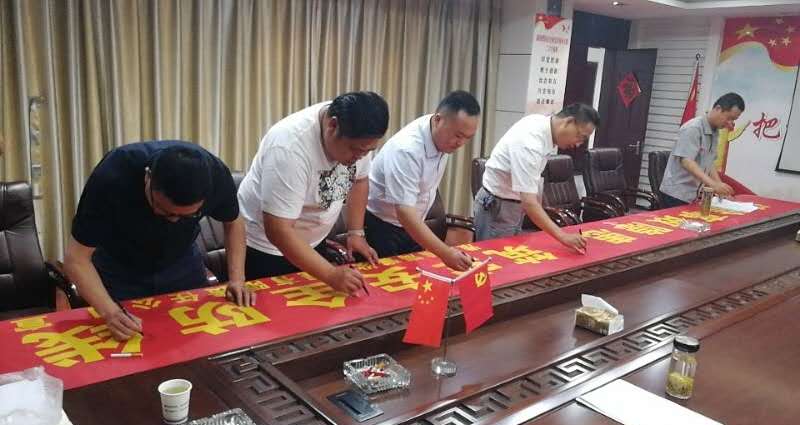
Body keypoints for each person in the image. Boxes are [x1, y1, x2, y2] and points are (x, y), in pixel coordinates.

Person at [64, 141, 254, 341]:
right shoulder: (113, 176)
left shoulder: (216, 175)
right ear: (147, 177)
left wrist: (237, 279)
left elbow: (233, 222)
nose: (173, 220)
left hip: (182, 262)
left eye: (187, 215)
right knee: (129, 341)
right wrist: (110, 312)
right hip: (120, 268)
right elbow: (76, 259)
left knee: (195, 338)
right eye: (165, 211)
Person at [238, 91, 388, 295]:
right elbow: (278, 230)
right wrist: (331, 274)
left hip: (311, 241)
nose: (360, 156)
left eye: (368, 151)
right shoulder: (289, 148)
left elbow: (360, 180)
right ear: (332, 126)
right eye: (356, 150)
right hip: (267, 248)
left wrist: (356, 233)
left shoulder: (357, 134)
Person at [365, 91, 480, 271]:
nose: (461, 143)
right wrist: (445, 252)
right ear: (438, 120)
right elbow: (404, 212)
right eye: (458, 135)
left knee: (416, 278)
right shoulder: (407, 150)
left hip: (413, 225)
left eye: (468, 138)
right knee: (388, 281)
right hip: (383, 228)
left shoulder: (441, 135)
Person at [473, 103, 599, 252]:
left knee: (510, 257)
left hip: (512, 204)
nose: (578, 144)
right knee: (496, 260)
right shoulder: (530, 142)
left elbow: (532, 185)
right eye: (580, 136)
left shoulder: (542, 127)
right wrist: (563, 236)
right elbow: (529, 202)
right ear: (568, 122)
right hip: (499, 207)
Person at [659, 92, 745, 207]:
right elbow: (686, 161)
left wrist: (720, 187)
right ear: (718, 109)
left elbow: (709, 162)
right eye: (729, 118)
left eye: (733, 120)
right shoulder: (693, 128)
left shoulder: (715, 132)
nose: (730, 124)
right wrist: (713, 184)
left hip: (692, 194)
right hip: (675, 194)